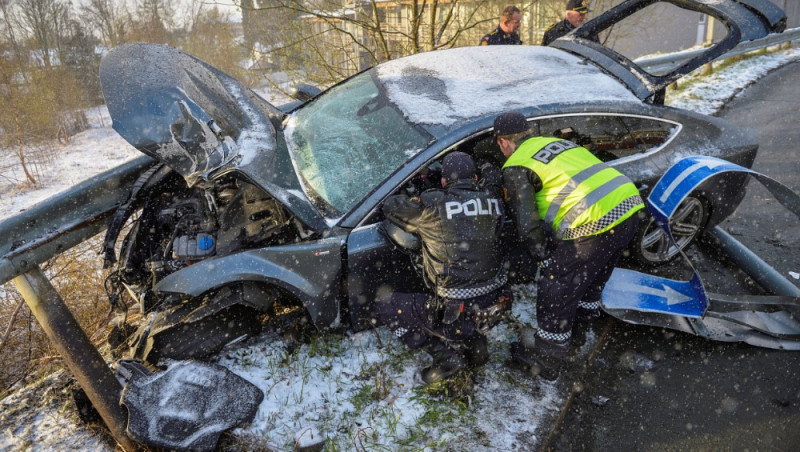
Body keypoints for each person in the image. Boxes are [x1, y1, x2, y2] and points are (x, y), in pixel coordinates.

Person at [493, 111, 645, 380]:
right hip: (628, 206)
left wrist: (542, 256)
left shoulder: (516, 165)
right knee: (592, 276)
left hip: (592, 222)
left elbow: (527, 224)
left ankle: (548, 361)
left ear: (503, 142)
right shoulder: (559, 143)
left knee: (556, 285)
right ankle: (579, 332)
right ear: (527, 132)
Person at [377, 152, 509, 384]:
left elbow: (391, 206)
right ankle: (475, 343)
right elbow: (493, 186)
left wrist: (417, 197)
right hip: (495, 304)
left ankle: (445, 357)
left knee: (386, 304)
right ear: (475, 177)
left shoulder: (433, 204)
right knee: (471, 298)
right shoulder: (493, 199)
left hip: (452, 313)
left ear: (444, 181)